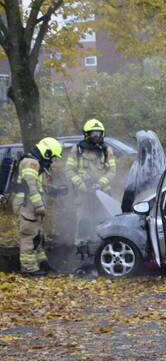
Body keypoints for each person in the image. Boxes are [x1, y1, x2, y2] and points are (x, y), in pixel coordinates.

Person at [14, 138, 63, 276]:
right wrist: (39, 205)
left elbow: (40, 186)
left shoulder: (36, 163)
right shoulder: (31, 163)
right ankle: (29, 269)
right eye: (52, 156)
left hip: (31, 204)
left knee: (38, 235)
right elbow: (31, 187)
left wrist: (56, 190)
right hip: (26, 204)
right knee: (29, 236)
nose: (52, 159)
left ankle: (42, 263)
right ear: (46, 152)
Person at [67, 118, 117, 252]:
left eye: (98, 133)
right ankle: (81, 247)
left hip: (102, 193)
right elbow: (69, 170)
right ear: (86, 134)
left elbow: (112, 171)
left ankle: (104, 246)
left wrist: (100, 184)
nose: (96, 135)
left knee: (104, 219)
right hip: (83, 194)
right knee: (83, 219)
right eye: (93, 133)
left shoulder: (107, 150)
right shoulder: (77, 150)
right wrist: (81, 185)